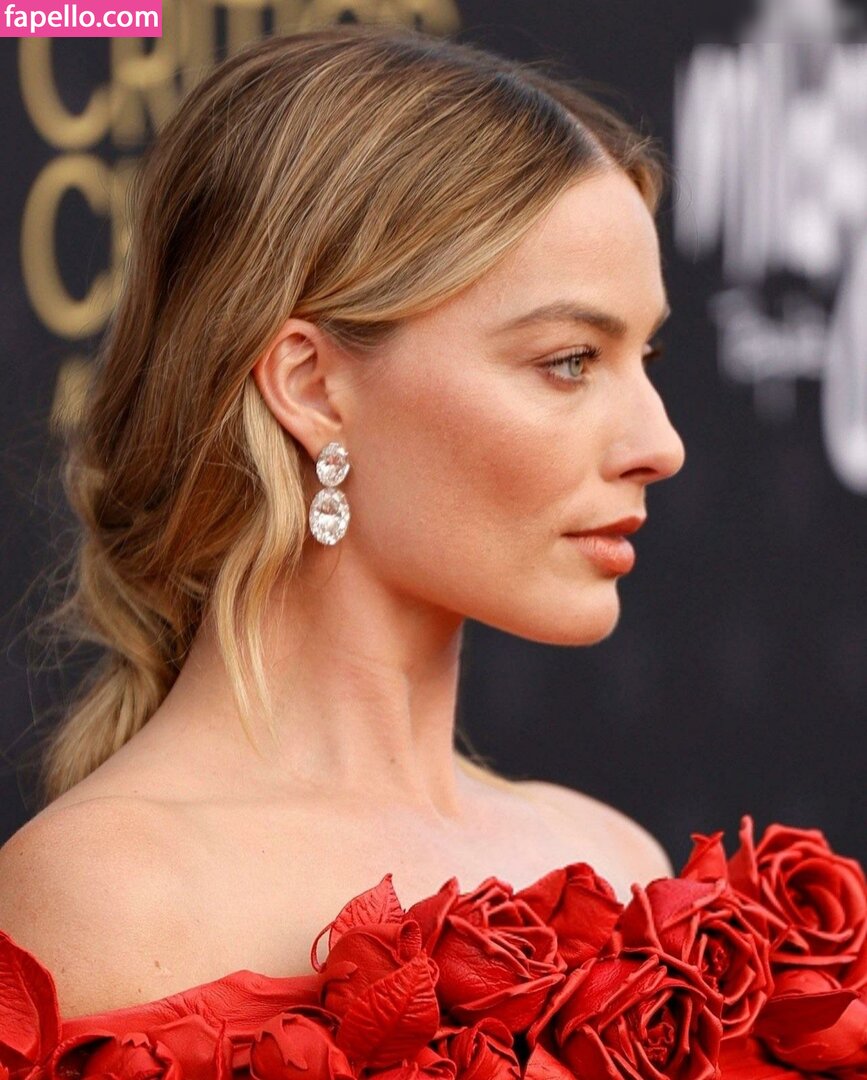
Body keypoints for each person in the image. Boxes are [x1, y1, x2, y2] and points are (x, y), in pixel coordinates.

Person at [0, 24, 684, 1025]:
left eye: (644, 361)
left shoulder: (620, 872)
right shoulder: (109, 900)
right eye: (569, 361)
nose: (660, 445)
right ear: (312, 384)